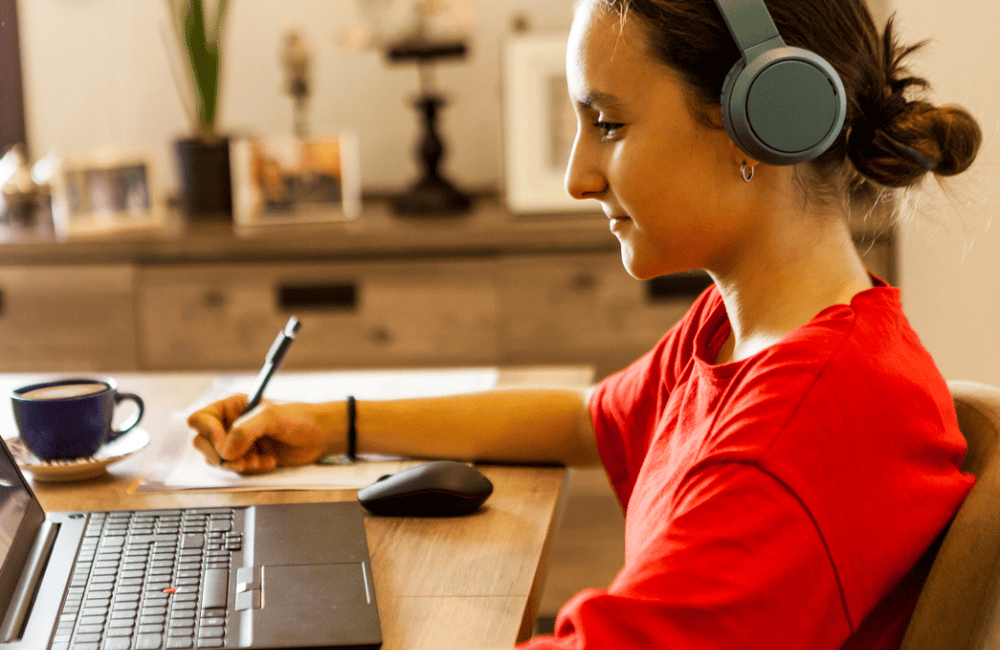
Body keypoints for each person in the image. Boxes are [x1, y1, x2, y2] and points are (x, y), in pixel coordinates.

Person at [187, 0, 984, 646]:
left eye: (606, 123)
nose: (576, 176)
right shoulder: (749, 332)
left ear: (763, 123)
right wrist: (330, 424)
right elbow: (585, 418)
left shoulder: (791, 440)